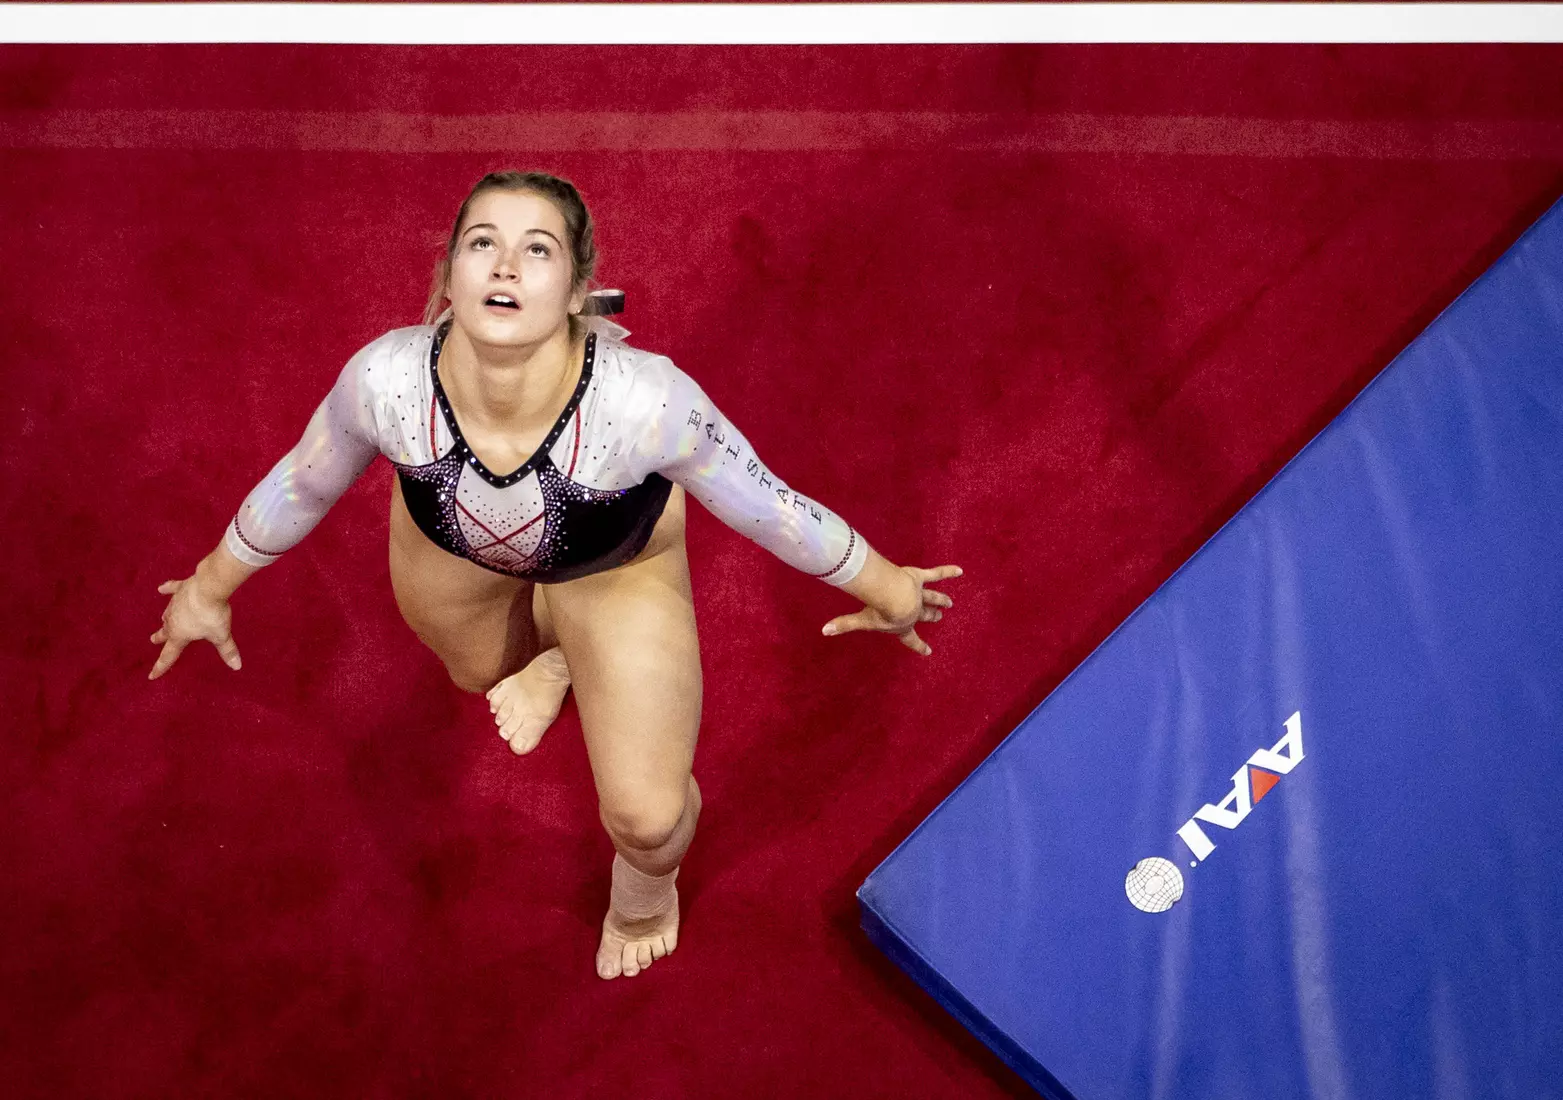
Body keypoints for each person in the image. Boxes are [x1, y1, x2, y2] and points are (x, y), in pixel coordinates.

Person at [148, 170, 962, 980]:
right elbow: (302, 480)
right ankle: (557, 652)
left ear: (578, 291)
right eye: (481, 244)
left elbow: (769, 505)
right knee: (476, 672)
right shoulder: (385, 381)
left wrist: (886, 584)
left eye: (536, 250)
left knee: (647, 815)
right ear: (447, 277)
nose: (504, 266)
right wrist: (207, 588)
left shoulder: (646, 402)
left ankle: (645, 894)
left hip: (615, 563)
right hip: (454, 546)